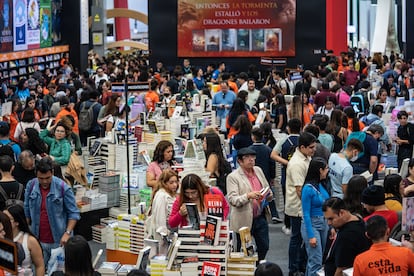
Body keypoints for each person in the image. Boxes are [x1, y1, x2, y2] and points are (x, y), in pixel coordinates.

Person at [24, 157, 80, 266]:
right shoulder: (31, 186)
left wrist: (67, 233)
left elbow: (73, 213)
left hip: (58, 241)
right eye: (41, 178)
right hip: (37, 240)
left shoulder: (63, 188)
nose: (44, 181)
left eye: (48, 178)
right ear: (36, 174)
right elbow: (26, 209)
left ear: (53, 172)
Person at [226, 147, 274, 261]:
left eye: (252, 157)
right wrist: (248, 196)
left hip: (260, 215)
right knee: (242, 250)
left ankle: (257, 266)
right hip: (243, 219)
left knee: (264, 246)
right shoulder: (233, 177)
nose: (251, 160)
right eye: (247, 157)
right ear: (239, 161)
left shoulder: (258, 170)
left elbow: (266, 187)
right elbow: (233, 200)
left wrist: (268, 194)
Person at [285, 132, 316, 276]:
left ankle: (299, 265)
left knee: (300, 239)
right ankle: (293, 269)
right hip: (298, 207)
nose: (313, 150)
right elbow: (299, 190)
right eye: (311, 148)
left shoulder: (305, 157)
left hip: (302, 205)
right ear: (302, 147)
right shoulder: (297, 164)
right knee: (297, 238)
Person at [322, 197, 371, 276]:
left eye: (331, 219)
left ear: (342, 213)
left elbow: (342, 269)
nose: (328, 223)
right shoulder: (358, 219)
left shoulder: (347, 235)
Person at [271, 118, 302, 234]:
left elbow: (273, 154)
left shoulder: (284, 140)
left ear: (288, 128)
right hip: (301, 173)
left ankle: (288, 224)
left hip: (287, 173)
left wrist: (286, 162)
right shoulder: (303, 140)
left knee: (287, 199)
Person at [301, 157, 330, 276]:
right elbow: (306, 213)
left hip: (323, 223)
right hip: (312, 225)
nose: (328, 171)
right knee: (316, 261)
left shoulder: (320, 185)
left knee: (316, 259)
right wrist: (311, 235)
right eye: (326, 168)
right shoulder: (308, 189)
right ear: (320, 170)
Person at [249, 127, 281, 223]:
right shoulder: (268, 149)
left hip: (253, 176)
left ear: (253, 137)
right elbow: (272, 164)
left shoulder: (249, 150)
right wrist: (272, 176)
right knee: (269, 194)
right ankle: (274, 214)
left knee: (254, 195)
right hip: (266, 175)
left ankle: (255, 213)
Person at [4, 204, 45, 275]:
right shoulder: (2, 237)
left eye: (7, 219)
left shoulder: (30, 240)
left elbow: (40, 265)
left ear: (17, 222)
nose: (4, 221)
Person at [146, 169, 178, 254]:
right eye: (171, 182)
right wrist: (164, 234)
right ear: (164, 183)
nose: (175, 185)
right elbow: (160, 218)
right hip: (162, 237)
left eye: (176, 182)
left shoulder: (170, 194)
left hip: (168, 233)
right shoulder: (162, 196)